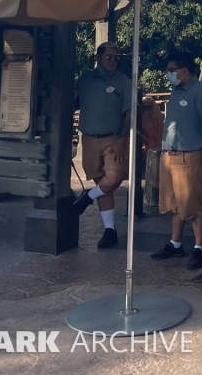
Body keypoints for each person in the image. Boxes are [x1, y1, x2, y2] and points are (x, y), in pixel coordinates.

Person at [149, 52, 202, 270]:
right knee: (174, 203)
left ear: (184, 70)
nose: (169, 74)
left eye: (172, 70)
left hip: (190, 155)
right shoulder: (176, 91)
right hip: (170, 155)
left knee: (194, 203)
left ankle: (199, 248)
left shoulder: (200, 92)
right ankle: (176, 243)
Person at [72, 42, 133, 249]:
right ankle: (110, 230)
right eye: (108, 57)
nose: (113, 61)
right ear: (97, 58)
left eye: (116, 58)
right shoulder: (85, 79)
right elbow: (75, 103)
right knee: (103, 186)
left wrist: (122, 139)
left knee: (114, 178)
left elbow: (130, 114)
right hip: (89, 138)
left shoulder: (123, 81)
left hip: (113, 138)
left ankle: (86, 198)